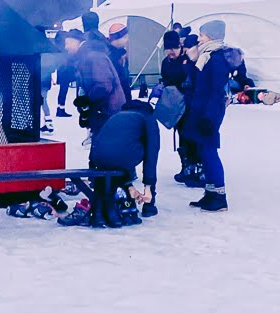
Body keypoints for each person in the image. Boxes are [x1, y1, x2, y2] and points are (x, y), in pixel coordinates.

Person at [61, 96, 160, 226]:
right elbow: (152, 155)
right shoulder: (148, 118)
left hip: (98, 158)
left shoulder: (116, 116)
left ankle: (100, 213)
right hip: (123, 157)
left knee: (120, 149)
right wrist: (148, 188)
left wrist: (127, 184)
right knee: (132, 149)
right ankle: (148, 206)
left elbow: (101, 142)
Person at [183, 20, 244, 212]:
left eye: (201, 35)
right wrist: (193, 61)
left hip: (208, 112)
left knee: (209, 152)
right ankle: (210, 193)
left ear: (210, 36)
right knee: (203, 151)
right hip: (202, 109)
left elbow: (214, 90)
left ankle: (219, 197)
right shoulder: (206, 56)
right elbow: (196, 82)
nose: (198, 39)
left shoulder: (216, 59)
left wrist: (208, 117)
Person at [64, 21, 124, 133]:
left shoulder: (93, 57)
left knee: (105, 147)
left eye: (67, 43)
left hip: (108, 113)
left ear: (76, 42)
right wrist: (86, 111)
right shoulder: (85, 57)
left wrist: (87, 100)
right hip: (101, 112)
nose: (66, 47)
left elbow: (104, 86)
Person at [158, 30, 200, 186]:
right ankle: (186, 166)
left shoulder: (189, 59)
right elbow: (167, 78)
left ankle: (197, 166)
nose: (171, 52)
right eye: (167, 49)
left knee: (192, 135)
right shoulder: (165, 62)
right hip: (176, 104)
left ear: (179, 46)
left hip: (190, 104)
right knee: (182, 135)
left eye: (173, 48)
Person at [54, 30, 79, 117]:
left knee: (62, 90)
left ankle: (60, 108)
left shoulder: (59, 47)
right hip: (66, 71)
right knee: (64, 90)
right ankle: (61, 109)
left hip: (62, 71)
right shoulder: (65, 48)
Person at [105, 21, 133, 95]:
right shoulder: (110, 56)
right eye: (125, 37)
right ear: (117, 39)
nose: (127, 40)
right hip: (116, 96)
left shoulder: (122, 54)